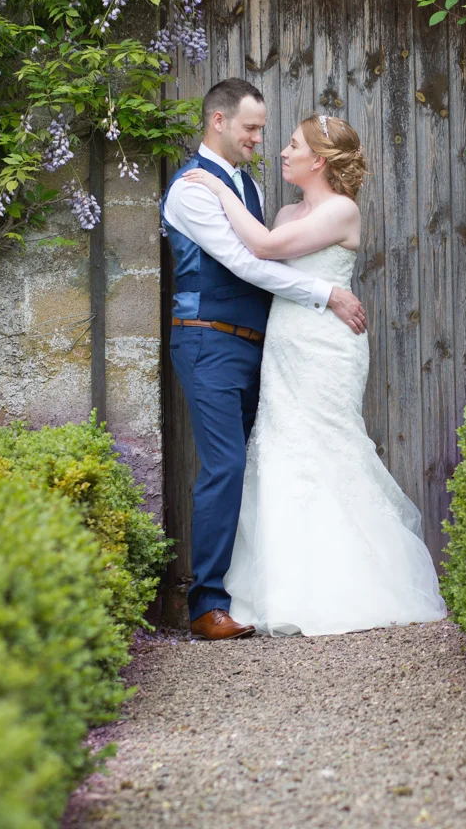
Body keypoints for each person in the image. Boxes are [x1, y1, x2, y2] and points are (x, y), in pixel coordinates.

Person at [180, 111, 447, 636]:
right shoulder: (283, 208)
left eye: (294, 145)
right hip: (284, 342)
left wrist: (215, 185)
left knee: (327, 443)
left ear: (318, 161)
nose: (282, 151)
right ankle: (276, 587)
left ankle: (350, 584)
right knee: (280, 449)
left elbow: (264, 247)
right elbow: (265, 268)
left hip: (326, 346)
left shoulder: (342, 210)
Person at [162, 78, 368, 641]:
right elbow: (243, 261)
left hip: (265, 346)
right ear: (219, 122)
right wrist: (326, 294)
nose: (261, 138)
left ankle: (265, 588)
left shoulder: (248, 187)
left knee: (264, 464)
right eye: (252, 127)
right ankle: (205, 604)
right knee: (226, 466)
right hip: (209, 341)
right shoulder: (193, 189)